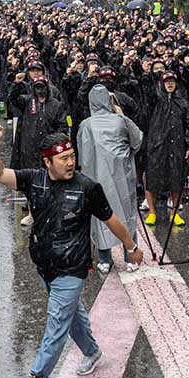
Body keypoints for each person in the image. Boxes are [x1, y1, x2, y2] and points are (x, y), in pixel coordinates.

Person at [0, 126, 143, 378]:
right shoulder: (33, 180)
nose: (70, 162)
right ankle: (92, 352)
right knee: (72, 315)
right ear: (47, 162)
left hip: (73, 267)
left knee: (58, 319)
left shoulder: (87, 188)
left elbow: (112, 220)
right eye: (63, 158)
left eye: (72, 156)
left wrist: (131, 247)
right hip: (45, 266)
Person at [77, 85, 143, 273]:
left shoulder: (86, 124)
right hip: (121, 175)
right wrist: (122, 116)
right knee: (126, 214)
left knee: (99, 216)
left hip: (95, 177)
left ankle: (104, 259)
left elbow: (82, 155)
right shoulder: (121, 121)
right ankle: (130, 257)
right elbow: (137, 141)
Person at [8, 75, 68, 226]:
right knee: (32, 183)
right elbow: (13, 98)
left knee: (51, 181)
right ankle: (31, 213)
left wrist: (55, 143)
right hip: (28, 149)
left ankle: (52, 213)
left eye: (42, 87)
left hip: (48, 151)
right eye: (37, 87)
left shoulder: (56, 105)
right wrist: (17, 83)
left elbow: (62, 126)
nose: (40, 90)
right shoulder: (28, 102)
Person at [143, 71, 189, 226]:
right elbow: (147, 92)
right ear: (162, 84)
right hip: (156, 146)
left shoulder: (183, 102)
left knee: (176, 180)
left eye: (172, 81)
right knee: (152, 179)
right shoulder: (156, 100)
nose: (170, 84)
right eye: (167, 82)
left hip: (177, 146)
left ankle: (174, 212)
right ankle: (152, 212)